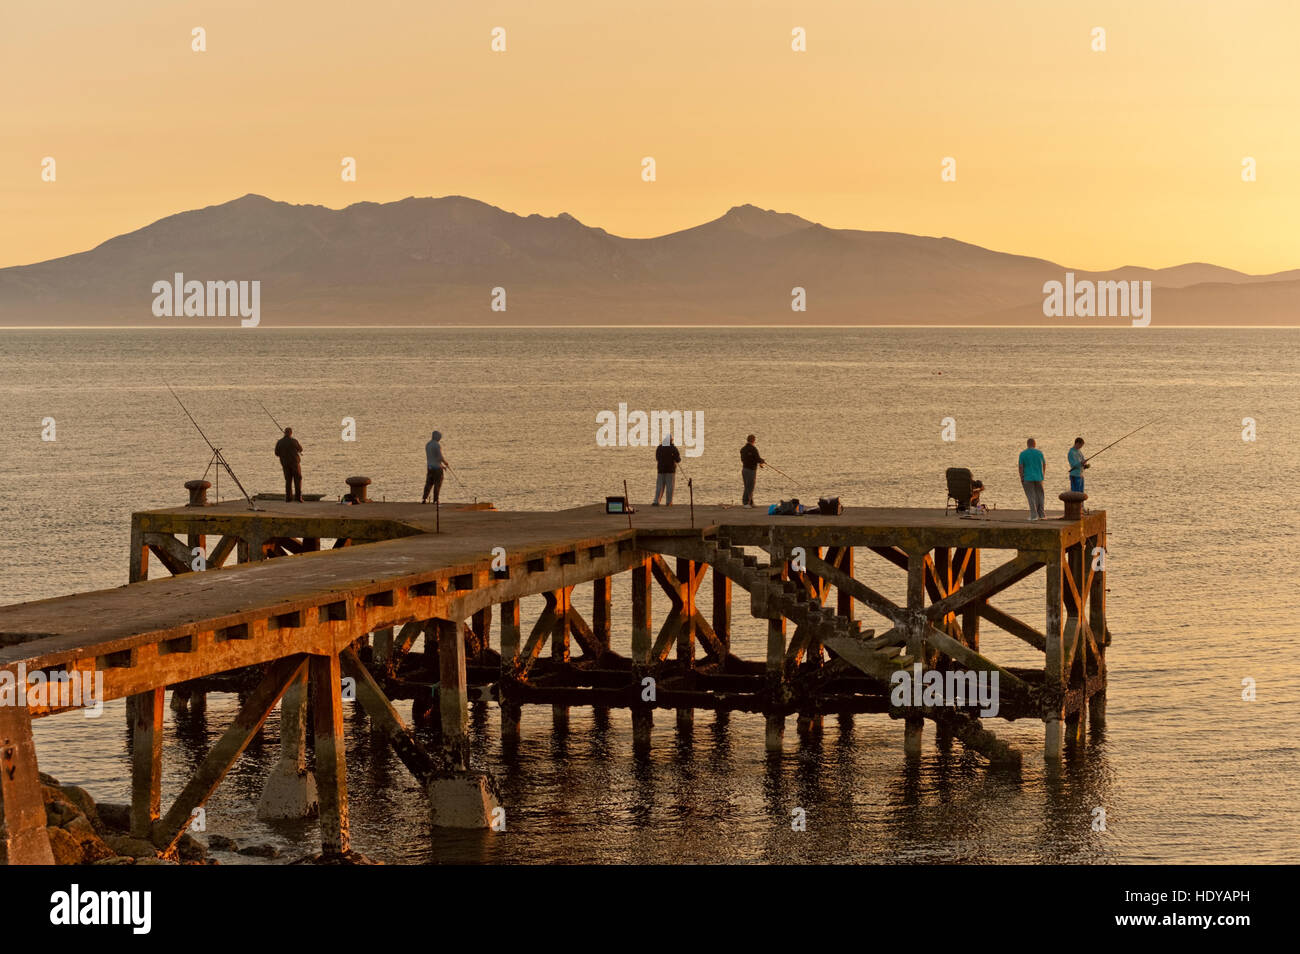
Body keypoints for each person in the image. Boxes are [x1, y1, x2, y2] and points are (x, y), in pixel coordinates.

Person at [1018, 437, 1046, 521]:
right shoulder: (1040, 453)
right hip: (1039, 477)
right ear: (1035, 444)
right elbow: (1044, 464)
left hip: (1028, 477)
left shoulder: (1023, 454)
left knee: (1031, 496)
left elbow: (1021, 466)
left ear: (1027, 444)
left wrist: (1021, 476)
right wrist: (1043, 474)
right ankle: (1042, 515)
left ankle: (1034, 516)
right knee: (1040, 496)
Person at [274, 427, 303, 502]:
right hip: (295, 464)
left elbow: (276, 453)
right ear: (291, 433)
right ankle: (298, 498)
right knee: (297, 480)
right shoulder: (294, 441)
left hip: (285, 464)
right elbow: (300, 449)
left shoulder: (279, 442)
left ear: (284, 433)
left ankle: (288, 498)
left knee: (288, 480)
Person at [653, 434, 680, 505]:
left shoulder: (659, 447)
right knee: (670, 487)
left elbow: (657, 458)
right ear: (671, 440)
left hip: (660, 470)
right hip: (670, 470)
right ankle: (669, 502)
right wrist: (675, 459)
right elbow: (678, 459)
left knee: (659, 486)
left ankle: (656, 501)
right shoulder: (673, 448)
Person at [422, 430, 448, 504]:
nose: (440, 439)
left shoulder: (428, 444)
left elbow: (433, 458)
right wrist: (445, 463)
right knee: (437, 483)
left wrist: (442, 466)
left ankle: (424, 499)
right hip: (437, 468)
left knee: (428, 483)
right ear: (436, 437)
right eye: (439, 437)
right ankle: (436, 500)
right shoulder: (437, 445)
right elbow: (439, 457)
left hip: (430, 467)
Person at [740, 434, 765, 507]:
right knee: (750, 486)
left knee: (747, 486)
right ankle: (746, 503)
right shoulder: (754, 449)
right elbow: (758, 459)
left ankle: (751, 502)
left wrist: (758, 461)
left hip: (744, 469)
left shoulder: (743, 449)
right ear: (753, 440)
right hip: (751, 470)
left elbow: (743, 459)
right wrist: (762, 461)